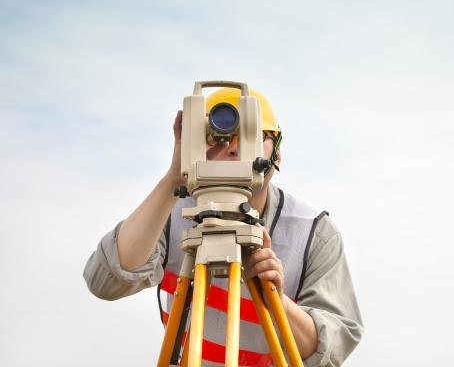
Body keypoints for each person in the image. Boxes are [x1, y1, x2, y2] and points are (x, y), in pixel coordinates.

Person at [83, 87, 363, 366]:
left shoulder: (313, 232)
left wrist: (276, 300)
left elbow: (331, 350)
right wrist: (174, 180)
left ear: (277, 153)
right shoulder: (171, 213)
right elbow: (106, 282)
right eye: (218, 135)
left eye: (252, 135)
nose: (233, 147)